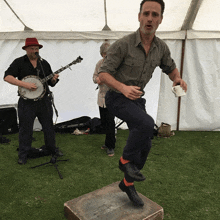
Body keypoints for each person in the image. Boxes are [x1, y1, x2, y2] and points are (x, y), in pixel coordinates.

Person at [99, 0, 187, 207]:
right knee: (146, 124)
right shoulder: (123, 44)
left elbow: (170, 68)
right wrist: (123, 88)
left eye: (154, 15)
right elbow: (103, 74)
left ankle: (127, 183)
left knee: (146, 144)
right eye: (146, 13)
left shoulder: (161, 48)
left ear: (160, 19)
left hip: (137, 99)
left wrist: (177, 78)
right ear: (139, 16)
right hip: (116, 97)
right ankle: (124, 162)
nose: (150, 18)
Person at [4, 38, 63, 165]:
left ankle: (52, 149)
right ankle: (23, 155)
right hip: (26, 103)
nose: (35, 51)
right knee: (26, 129)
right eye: (32, 48)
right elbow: (7, 77)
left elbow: (50, 83)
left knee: (48, 127)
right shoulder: (19, 62)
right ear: (26, 49)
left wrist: (53, 80)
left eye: (37, 49)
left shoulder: (44, 63)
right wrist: (24, 84)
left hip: (44, 101)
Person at [93, 42, 116, 156]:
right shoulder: (99, 64)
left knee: (111, 122)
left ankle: (111, 146)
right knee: (105, 122)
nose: (107, 56)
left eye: (109, 54)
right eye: (105, 54)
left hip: (112, 97)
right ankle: (107, 143)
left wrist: (107, 79)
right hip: (101, 97)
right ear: (102, 54)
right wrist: (97, 79)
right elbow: (94, 77)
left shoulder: (116, 64)